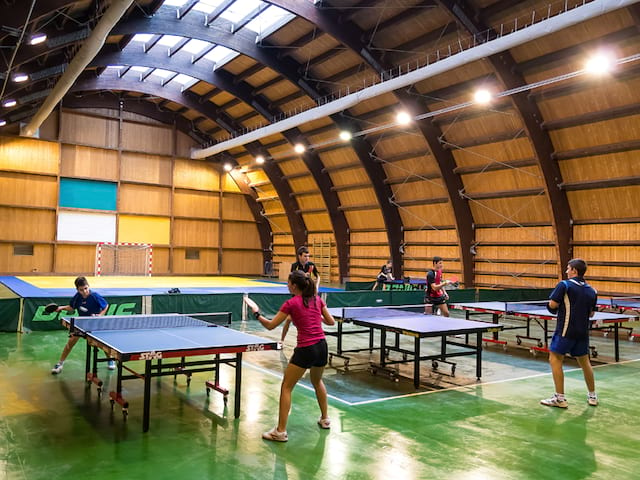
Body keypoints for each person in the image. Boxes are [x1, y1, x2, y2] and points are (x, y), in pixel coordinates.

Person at [249, 270, 335, 442]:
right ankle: (325, 419)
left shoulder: (291, 303)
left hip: (306, 348)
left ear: (294, 286)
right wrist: (317, 317)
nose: (287, 285)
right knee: (317, 381)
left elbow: (271, 326)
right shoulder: (317, 300)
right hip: (321, 346)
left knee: (286, 387)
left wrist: (257, 313)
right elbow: (331, 322)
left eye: (288, 283)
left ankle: (280, 431)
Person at [540, 258, 598, 408]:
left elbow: (553, 305)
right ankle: (592, 396)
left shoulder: (564, 285)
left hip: (565, 330)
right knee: (585, 362)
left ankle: (560, 399)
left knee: (555, 358)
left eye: (568, 268)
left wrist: (551, 306)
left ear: (574, 271)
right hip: (582, 332)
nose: (566, 271)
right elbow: (591, 314)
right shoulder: (592, 290)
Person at [51, 276, 110, 374]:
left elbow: (106, 305)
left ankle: (110, 360)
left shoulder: (95, 296)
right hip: (82, 323)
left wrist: (100, 315)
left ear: (88, 286)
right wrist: (61, 308)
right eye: (81, 290)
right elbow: (71, 307)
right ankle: (60, 363)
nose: (84, 291)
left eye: (86, 288)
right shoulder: (77, 297)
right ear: (77, 289)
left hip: (95, 323)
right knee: (70, 342)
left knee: (102, 344)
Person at [282, 246, 322, 341]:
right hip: (297, 295)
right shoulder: (294, 266)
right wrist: (304, 276)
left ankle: (315, 337)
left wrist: (316, 286)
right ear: (299, 256)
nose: (307, 258)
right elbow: (293, 279)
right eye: (305, 256)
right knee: (288, 319)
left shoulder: (311, 265)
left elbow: (318, 276)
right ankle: (282, 340)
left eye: (308, 256)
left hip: (308, 295)